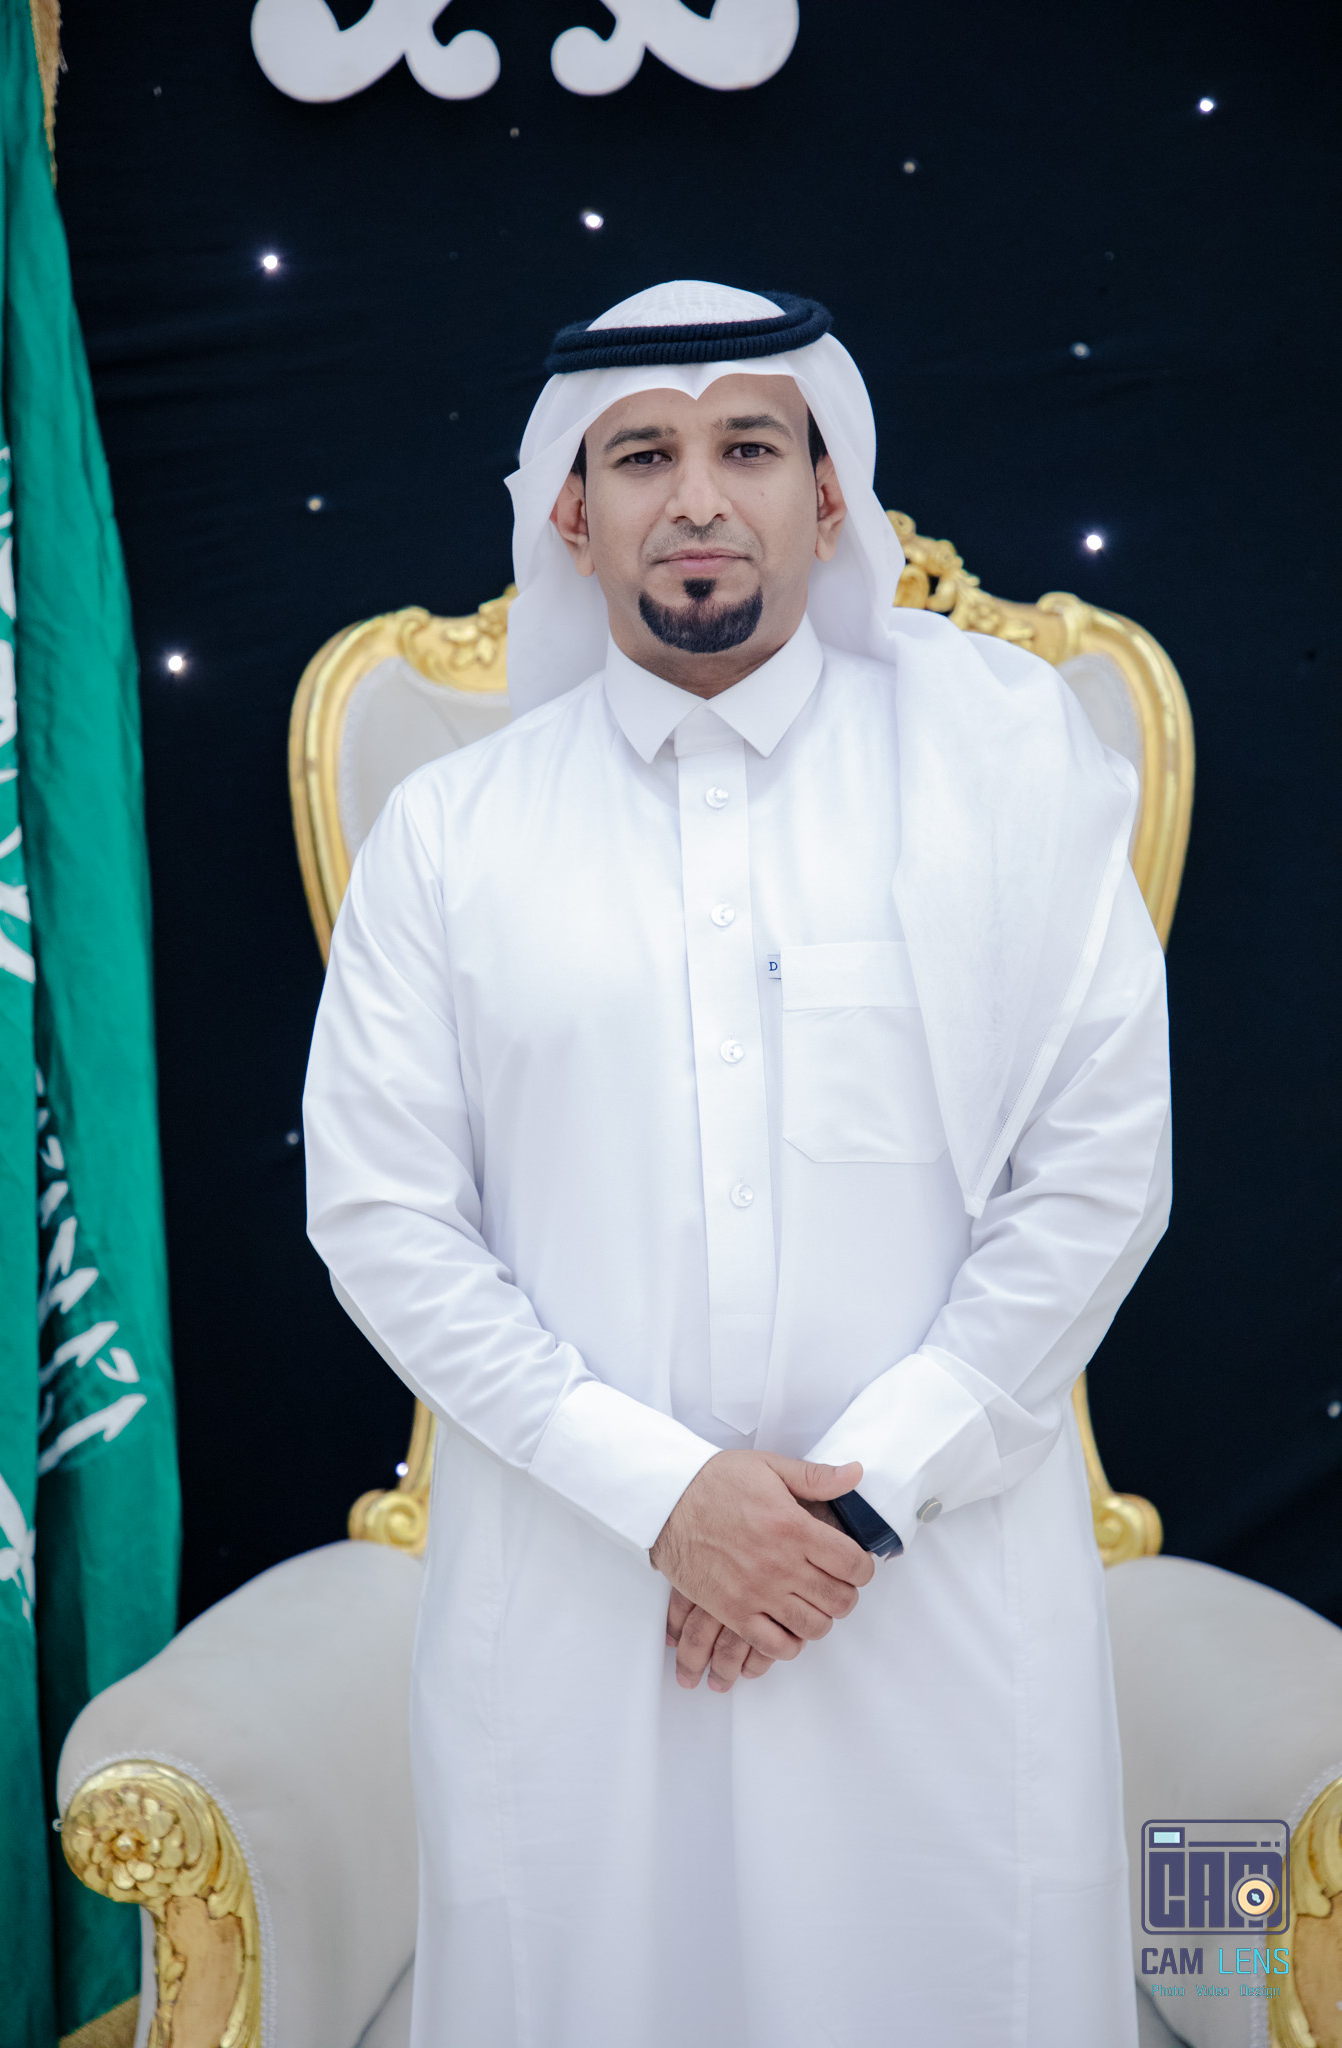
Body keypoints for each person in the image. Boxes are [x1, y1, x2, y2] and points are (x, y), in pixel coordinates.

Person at [303, 280, 1169, 2048]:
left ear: (828, 494)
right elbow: (383, 1218)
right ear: (571, 513)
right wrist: (661, 1496)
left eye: (748, 448)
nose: (695, 497)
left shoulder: (1010, 775)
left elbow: (1095, 1173)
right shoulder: (451, 837)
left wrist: (863, 1499)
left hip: (933, 1603)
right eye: (641, 456)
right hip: (579, 1602)